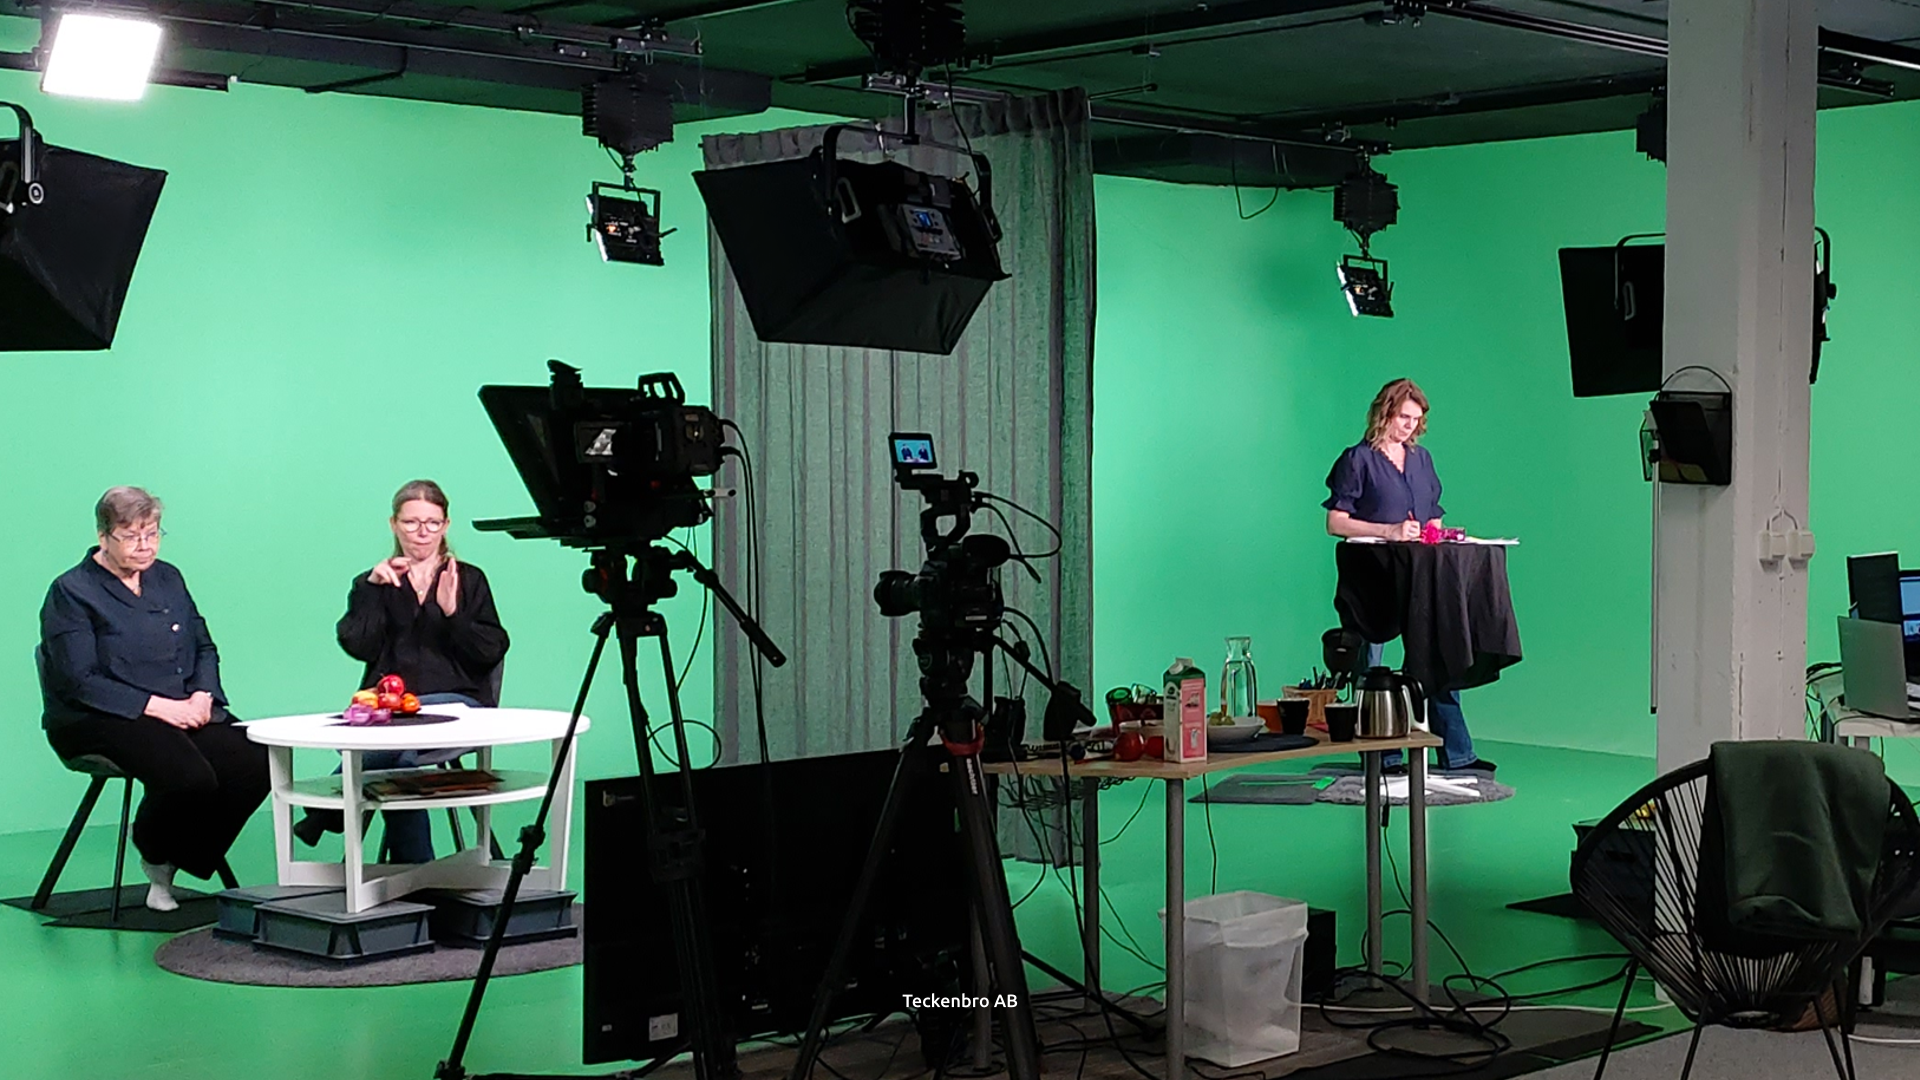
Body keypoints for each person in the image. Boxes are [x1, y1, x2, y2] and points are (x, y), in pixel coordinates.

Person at [38, 487, 269, 911]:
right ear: (103, 536)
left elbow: (204, 646)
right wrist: (161, 708)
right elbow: (78, 680)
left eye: (153, 534)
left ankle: (179, 858)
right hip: (99, 717)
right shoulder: (71, 591)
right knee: (190, 777)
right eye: (131, 536)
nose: (144, 546)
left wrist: (202, 695)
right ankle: (154, 851)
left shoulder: (168, 577)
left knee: (258, 761)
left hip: (181, 704)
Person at [295, 480, 509, 861]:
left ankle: (327, 809)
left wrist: (453, 614)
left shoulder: (468, 579)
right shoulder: (373, 582)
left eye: (432, 523)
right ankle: (417, 873)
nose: (422, 532)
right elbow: (358, 646)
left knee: (393, 740)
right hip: (390, 709)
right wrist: (371, 591)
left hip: (459, 705)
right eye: (411, 523)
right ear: (394, 524)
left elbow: (491, 650)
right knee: (401, 756)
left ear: (445, 525)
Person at [1322, 378, 1494, 774]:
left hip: (1420, 572)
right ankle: (1382, 756)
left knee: (1438, 657)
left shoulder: (1422, 460)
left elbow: (1433, 514)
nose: (1409, 426)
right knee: (1372, 665)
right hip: (1371, 574)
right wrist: (1389, 531)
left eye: (1416, 420)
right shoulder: (1357, 459)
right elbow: (1335, 522)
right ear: (1384, 413)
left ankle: (1457, 753)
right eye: (1403, 417)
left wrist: (1438, 533)